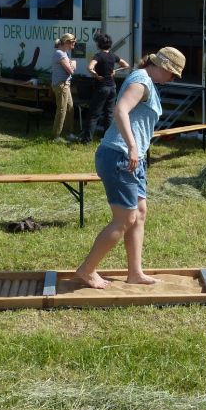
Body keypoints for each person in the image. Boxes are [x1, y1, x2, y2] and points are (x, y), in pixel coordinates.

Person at [74, 46, 186, 289]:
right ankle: (87, 270)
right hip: (120, 155)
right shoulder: (141, 81)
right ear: (162, 66)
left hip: (130, 158)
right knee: (125, 218)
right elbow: (120, 110)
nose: (172, 79)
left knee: (139, 213)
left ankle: (135, 272)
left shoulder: (146, 81)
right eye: (172, 74)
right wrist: (133, 147)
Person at [80, 32, 129, 144]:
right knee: (109, 114)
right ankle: (108, 139)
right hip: (112, 87)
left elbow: (89, 67)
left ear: (98, 44)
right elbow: (126, 65)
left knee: (94, 114)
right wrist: (115, 70)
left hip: (102, 88)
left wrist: (96, 75)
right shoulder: (113, 56)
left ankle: (86, 140)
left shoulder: (98, 56)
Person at [50, 33, 77, 142]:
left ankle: (69, 133)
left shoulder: (64, 53)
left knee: (70, 108)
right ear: (66, 42)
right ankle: (56, 136)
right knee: (62, 110)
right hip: (61, 85)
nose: (74, 45)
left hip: (65, 84)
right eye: (73, 43)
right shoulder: (59, 53)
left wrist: (71, 63)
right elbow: (70, 71)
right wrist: (73, 64)